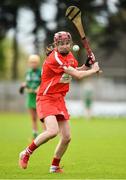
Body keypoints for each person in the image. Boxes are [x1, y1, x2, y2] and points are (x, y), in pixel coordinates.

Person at [19, 31, 100, 173]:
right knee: (52, 131)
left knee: (67, 137)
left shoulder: (69, 56)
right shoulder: (54, 57)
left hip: (59, 99)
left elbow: (76, 70)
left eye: (67, 43)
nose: (64, 46)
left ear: (70, 43)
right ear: (56, 44)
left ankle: (54, 166)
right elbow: (78, 75)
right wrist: (93, 70)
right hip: (46, 98)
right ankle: (26, 152)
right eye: (61, 43)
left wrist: (87, 65)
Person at [19, 55, 41, 139]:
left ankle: (46, 135)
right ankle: (35, 135)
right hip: (30, 97)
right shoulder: (28, 72)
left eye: (35, 62)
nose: (33, 64)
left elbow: (44, 83)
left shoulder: (41, 72)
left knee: (42, 118)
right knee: (33, 118)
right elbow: (27, 83)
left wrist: (38, 88)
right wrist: (24, 85)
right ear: (29, 63)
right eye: (31, 62)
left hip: (39, 98)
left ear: (38, 63)